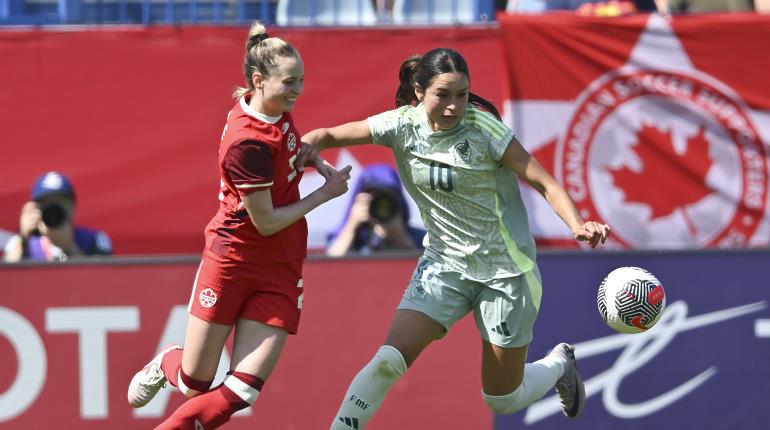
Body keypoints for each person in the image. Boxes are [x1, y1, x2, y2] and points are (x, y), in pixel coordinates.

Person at [299, 48, 610, 429]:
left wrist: (577, 224)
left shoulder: (485, 130)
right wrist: (307, 145)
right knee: (386, 361)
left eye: (461, 94)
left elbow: (542, 181)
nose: (453, 106)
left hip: (506, 273)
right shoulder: (400, 125)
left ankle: (559, 364)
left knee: (502, 399)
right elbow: (328, 134)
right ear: (418, 91)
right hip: (443, 267)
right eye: (442, 95)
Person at [125, 21, 351, 429]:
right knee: (195, 384)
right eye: (289, 82)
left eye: (301, 80)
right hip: (232, 258)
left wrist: (310, 158)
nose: (298, 90)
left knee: (243, 390)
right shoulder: (248, 143)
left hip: (280, 266)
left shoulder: (271, 106)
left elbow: (286, 152)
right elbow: (265, 223)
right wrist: (325, 192)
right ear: (259, 81)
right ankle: (167, 361)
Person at [3, 171, 112, 262]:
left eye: (60, 203)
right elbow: (7, 281)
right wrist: (23, 240)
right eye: (45, 203)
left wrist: (69, 248)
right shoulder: (21, 243)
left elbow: (102, 282)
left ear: (73, 207)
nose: (53, 209)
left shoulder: (95, 240)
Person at [326, 163, 426, 256]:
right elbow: (331, 266)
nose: (380, 205)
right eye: (373, 196)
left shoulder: (421, 238)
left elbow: (422, 268)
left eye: (386, 198)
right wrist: (352, 225)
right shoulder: (355, 236)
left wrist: (400, 236)